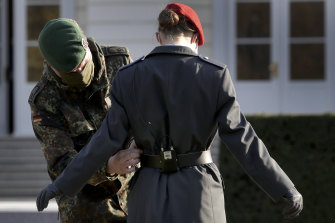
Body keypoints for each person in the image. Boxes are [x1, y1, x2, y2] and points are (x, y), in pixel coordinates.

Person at [35, 3, 303, 223]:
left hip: (146, 193)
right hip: (199, 191)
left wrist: (59, 187)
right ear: (196, 38)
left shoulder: (129, 77)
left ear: (158, 37)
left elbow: (103, 142)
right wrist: (284, 189)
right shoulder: (215, 76)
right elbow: (244, 142)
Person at [29, 18, 142, 223]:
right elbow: (62, 164)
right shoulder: (44, 100)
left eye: (82, 65)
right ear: (50, 65)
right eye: (71, 72)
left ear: (87, 45)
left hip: (136, 199)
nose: (79, 73)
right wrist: (107, 166)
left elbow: (144, 114)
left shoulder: (119, 62)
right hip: (86, 211)